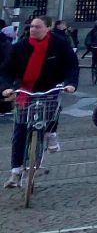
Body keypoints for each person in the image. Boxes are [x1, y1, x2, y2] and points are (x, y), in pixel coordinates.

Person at [1, 15, 79, 187]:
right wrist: (6, 87)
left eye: (37, 27)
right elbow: (6, 70)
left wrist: (71, 84)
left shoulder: (59, 44)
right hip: (25, 90)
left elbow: (72, 65)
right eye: (31, 27)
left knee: (53, 107)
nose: (33, 29)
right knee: (20, 130)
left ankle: (51, 134)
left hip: (49, 86)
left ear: (48, 28)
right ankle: (15, 171)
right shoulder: (20, 47)